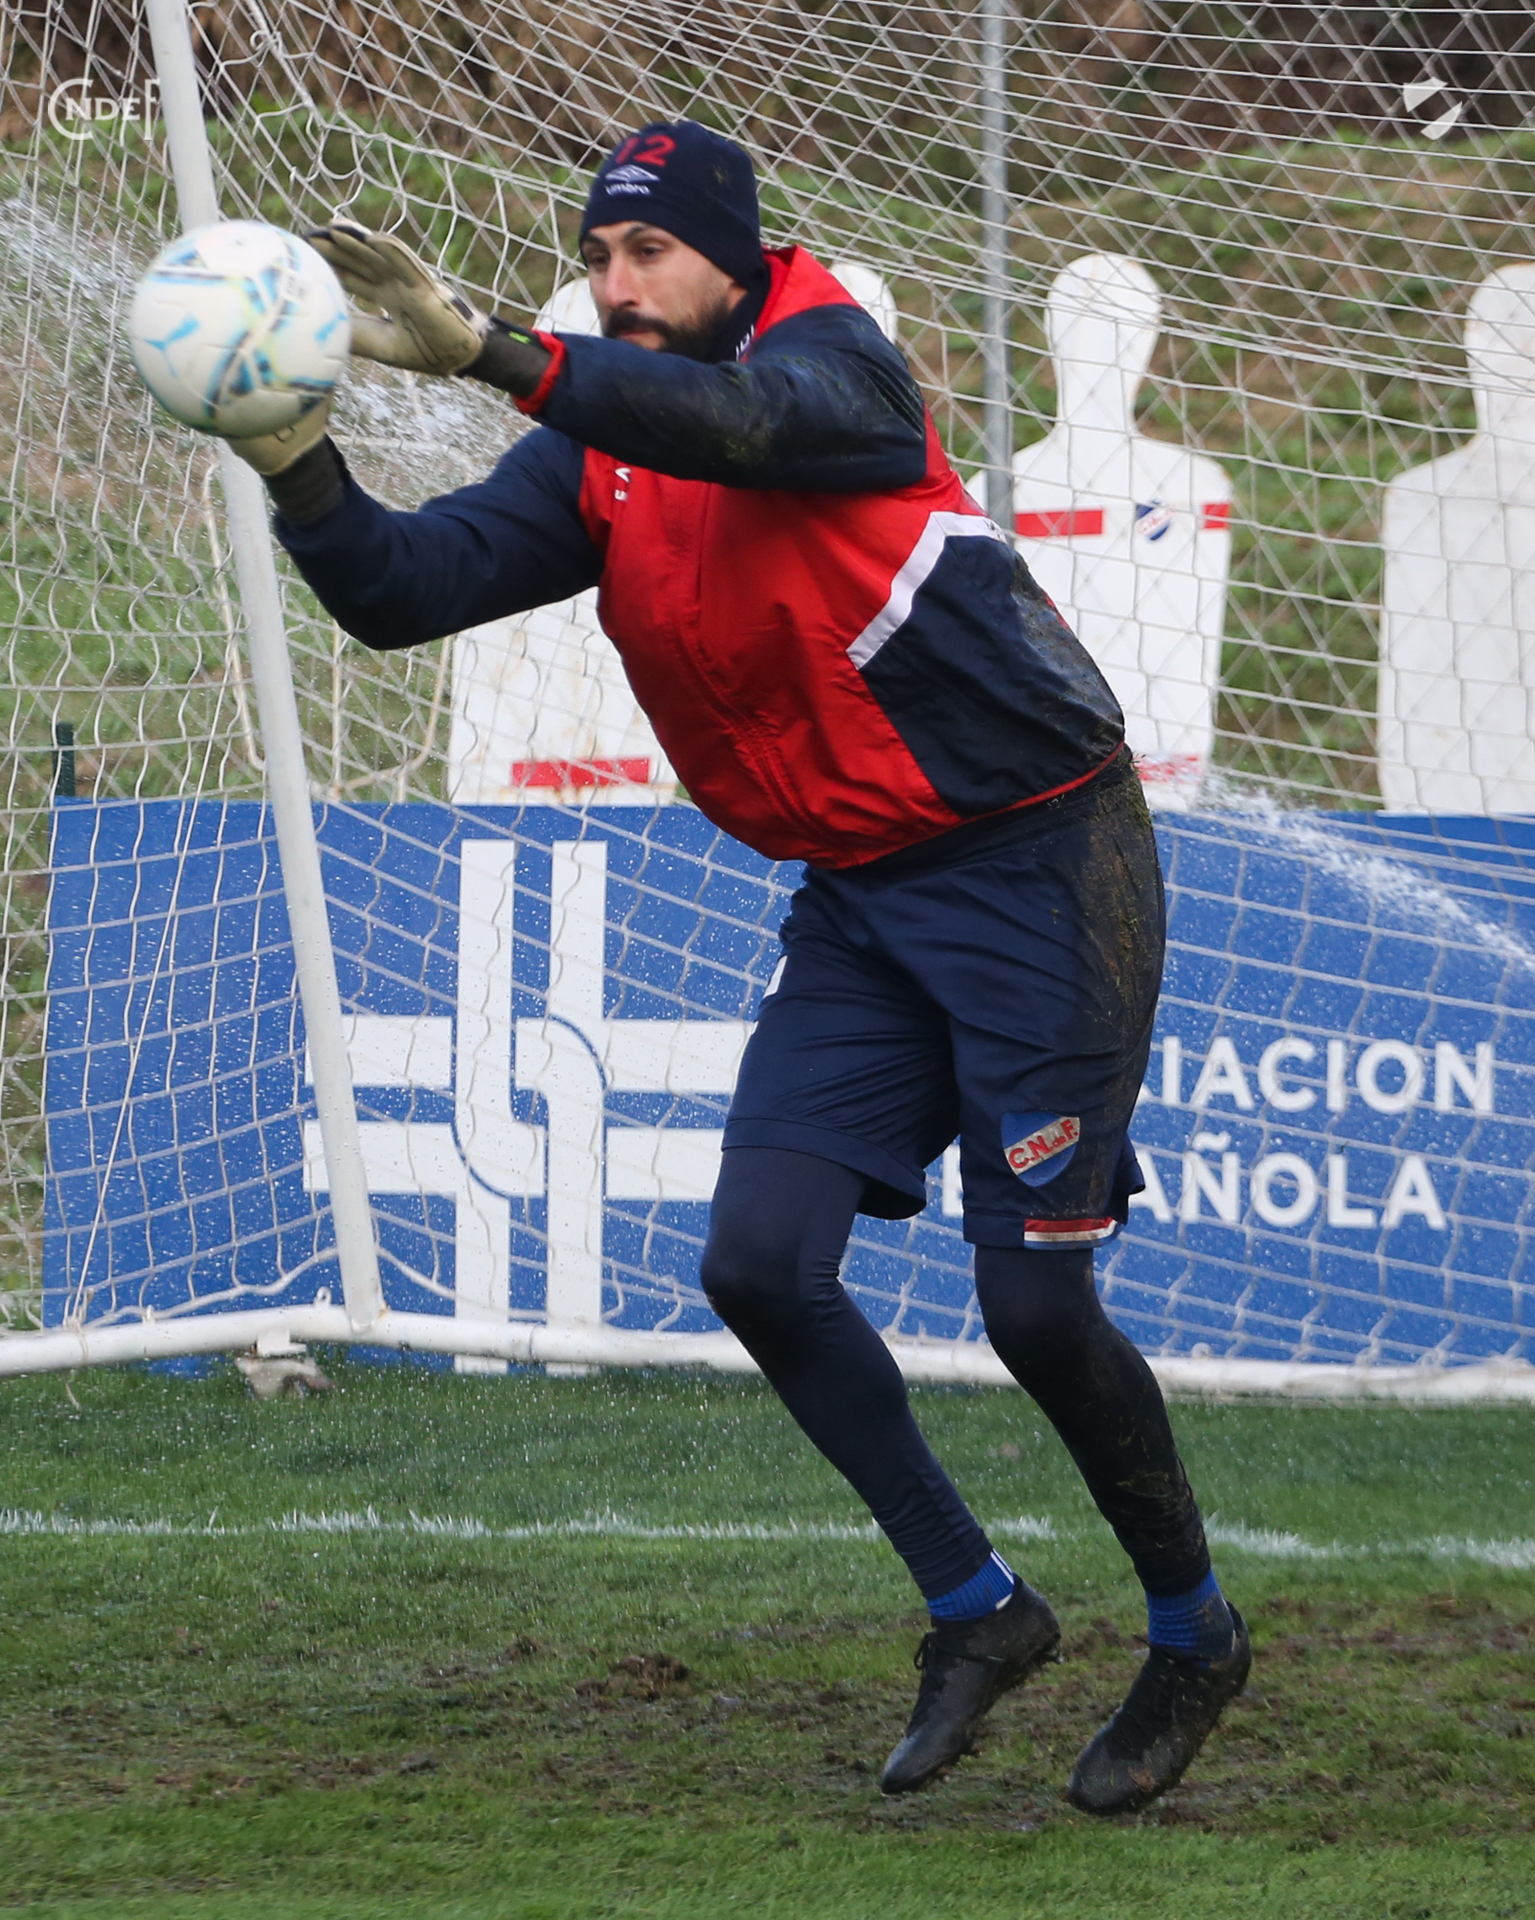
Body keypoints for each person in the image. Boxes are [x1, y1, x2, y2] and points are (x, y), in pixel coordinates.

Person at [225, 119, 1250, 1814]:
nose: (617, 283)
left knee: (1033, 1306)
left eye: (649, 252)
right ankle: (979, 1609)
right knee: (761, 1265)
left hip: (1039, 865)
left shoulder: (839, 365)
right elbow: (408, 590)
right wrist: (296, 462)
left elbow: (748, 426)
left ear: (739, 257)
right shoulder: (607, 447)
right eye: (596, 258)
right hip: (861, 892)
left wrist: (498, 353)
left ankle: (1196, 1633)